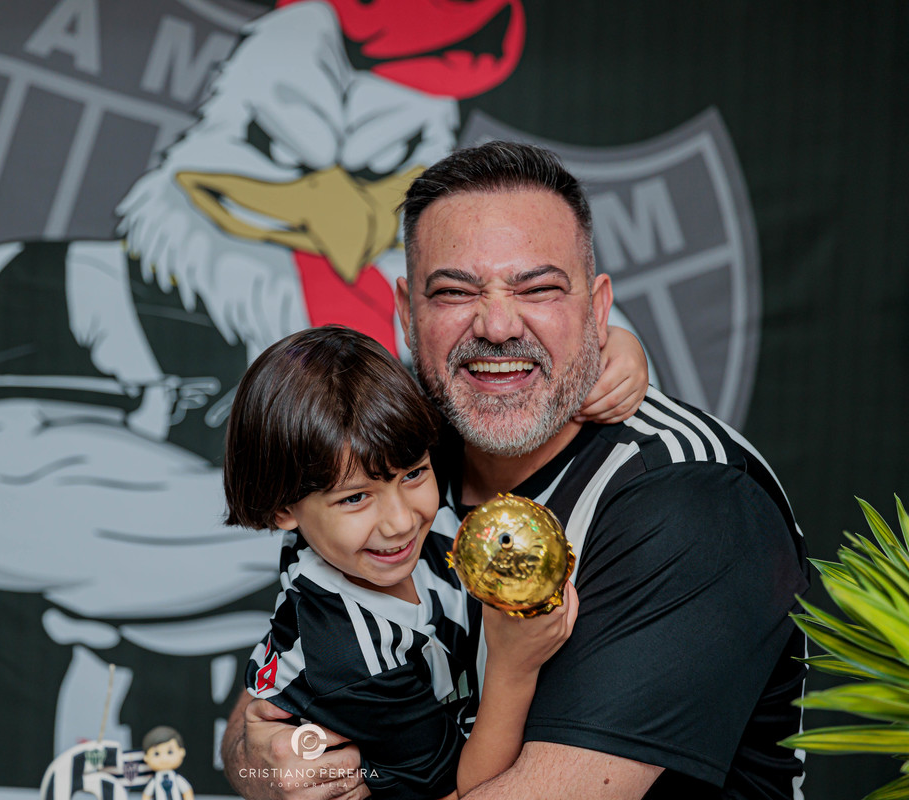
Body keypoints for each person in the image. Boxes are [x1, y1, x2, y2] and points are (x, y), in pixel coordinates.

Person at [223, 141, 809, 800]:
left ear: (596, 310)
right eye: (455, 292)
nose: (498, 326)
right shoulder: (395, 451)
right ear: (406, 315)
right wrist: (263, 759)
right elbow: (274, 691)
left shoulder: (689, 501)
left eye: (538, 289)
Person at [222, 325, 581, 799]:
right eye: (355, 499)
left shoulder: (347, 505)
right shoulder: (352, 660)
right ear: (283, 509)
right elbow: (465, 790)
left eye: (413, 474)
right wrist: (513, 669)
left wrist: (622, 350)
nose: (400, 522)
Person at [142, 726, 195, 800]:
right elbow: (147, 795)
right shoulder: (154, 782)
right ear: (146, 758)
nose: (164, 759)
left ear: (181, 752)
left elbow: (187, 791)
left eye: (170, 752)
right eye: (156, 754)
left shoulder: (177, 779)